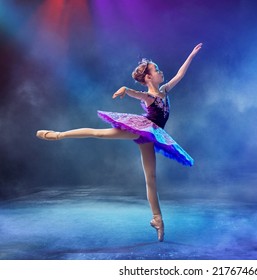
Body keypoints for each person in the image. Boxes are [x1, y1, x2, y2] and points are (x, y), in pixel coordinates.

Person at [36, 43, 203, 242]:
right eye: (156, 70)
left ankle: (157, 219)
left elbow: (180, 75)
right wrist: (125, 89)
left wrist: (191, 55)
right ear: (149, 77)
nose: (161, 71)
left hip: (151, 134)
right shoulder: (149, 97)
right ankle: (58, 135)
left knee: (151, 178)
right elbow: (136, 94)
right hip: (143, 128)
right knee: (100, 133)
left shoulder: (165, 91)